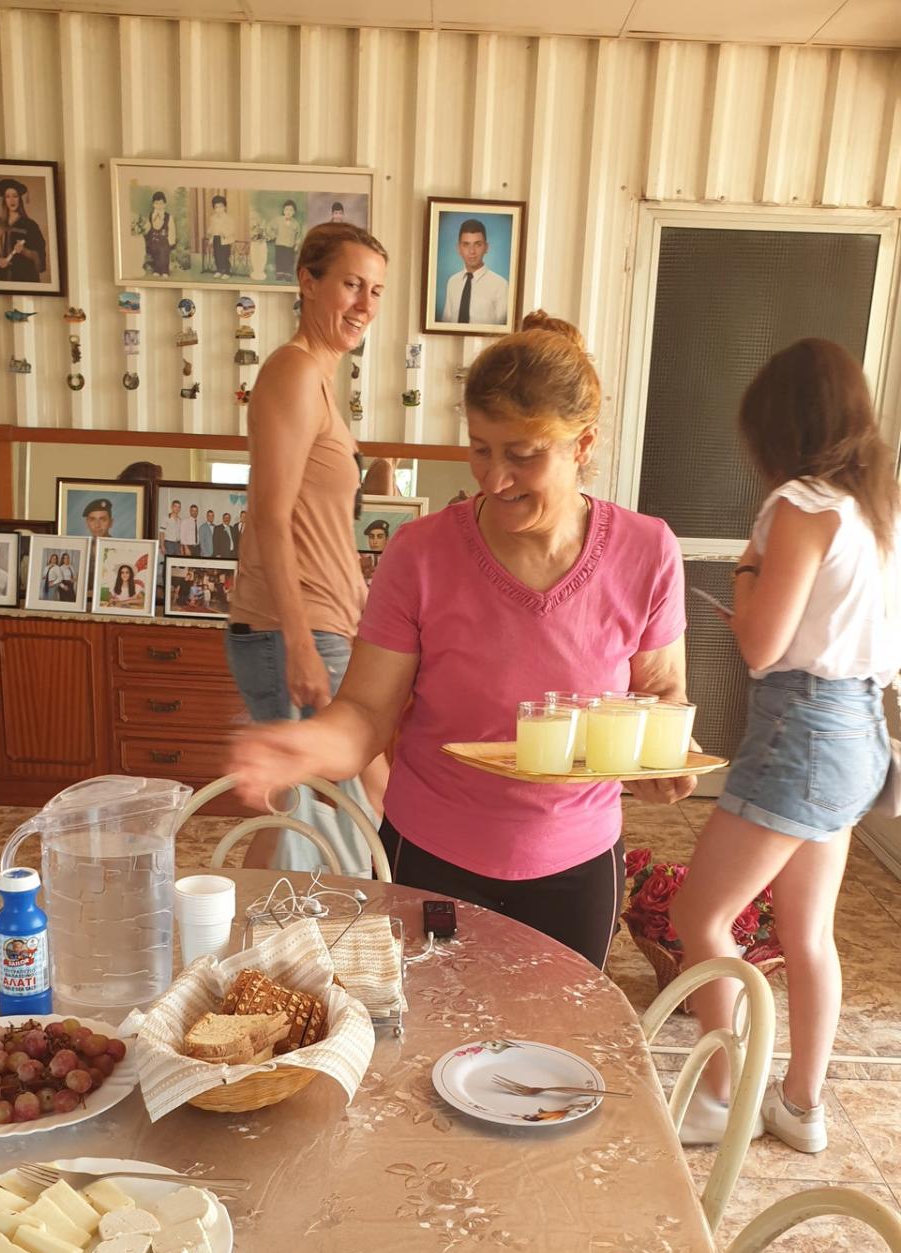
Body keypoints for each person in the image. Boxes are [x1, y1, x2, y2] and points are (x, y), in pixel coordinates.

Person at [232, 310, 694, 958]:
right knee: (424, 1044)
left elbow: (661, 688)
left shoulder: (648, 551)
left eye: (522, 457)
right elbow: (365, 713)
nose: (493, 477)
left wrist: (661, 749)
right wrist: (304, 745)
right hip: (428, 858)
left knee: (552, 1050)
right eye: (481, 447)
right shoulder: (420, 553)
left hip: (576, 864)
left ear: (582, 446)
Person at [671, 339, 899, 1153]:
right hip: (860, 728)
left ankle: (720, 1095)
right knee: (807, 931)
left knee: (702, 915)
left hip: (803, 728)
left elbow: (763, 647)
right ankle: (801, 1108)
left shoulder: (801, 506)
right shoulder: (879, 509)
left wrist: (744, 570)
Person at [227, 218, 389, 867]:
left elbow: (317, 521)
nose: (365, 305)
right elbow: (269, 514)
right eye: (351, 284)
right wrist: (298, 643)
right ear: (308, 282)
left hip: (328, 623)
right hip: (291, 629)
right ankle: (268, 942)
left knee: (326, 803)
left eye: (376, 290)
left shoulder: (320, 379)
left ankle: (275, 937)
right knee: (313, 811)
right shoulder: (292, 371)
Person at [441, 218, 508, 326]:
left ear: (486, 247)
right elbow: (444, 324)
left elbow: (503, 331)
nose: (472, 251)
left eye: (478, 244)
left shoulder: (500, 285)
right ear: (458, 248)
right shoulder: (452, 282)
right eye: (466, 244)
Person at [0, 179, 46, 285]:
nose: (12, 200)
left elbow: (40, 253)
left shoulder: (30, 225)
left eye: (15, 196)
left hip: (26, 278)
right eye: (8, 196)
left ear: (20, 199)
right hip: (5, 280)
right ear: (4, 200)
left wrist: (25, 251)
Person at [144, 191, 175, 277]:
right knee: (156, 255)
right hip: (154, 240)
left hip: (164, 241)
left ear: (165, 204)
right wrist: (145, 231)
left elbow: (172, 229)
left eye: (161, 203)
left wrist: (171, 241)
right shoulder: (151, 215)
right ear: (153, 204)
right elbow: (148, 226)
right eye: (156, 203)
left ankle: (165, 271)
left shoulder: (168, 217)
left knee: (164, 255)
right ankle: (157, 270)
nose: (159, 206)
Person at [274, 200, 302, 283]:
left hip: (290, 246)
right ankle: (280, 274)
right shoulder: (278, 220)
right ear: (283, 211)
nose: (288, 212)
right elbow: (273, 230)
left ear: (294, 212)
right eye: (286, 209)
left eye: (291, 210)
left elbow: (298, 236)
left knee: (289, 261)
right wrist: (272, 236)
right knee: (279, 260)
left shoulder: (296, 224)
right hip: (279, 244)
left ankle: (288, 275)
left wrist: (297, 245)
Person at [207, 193, 234, 277]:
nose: (219, 209)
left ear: (225, 207)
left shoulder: (228, 218)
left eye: (221, 206)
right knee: (217, 255)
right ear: (214, 209)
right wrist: (211, 238)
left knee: (225, 256)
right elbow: (211, 228)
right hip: (216, 238)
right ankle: (219, 270)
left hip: (225, 240)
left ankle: (226, 272)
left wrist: (225, 232)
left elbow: (232, 229)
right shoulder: (213, 218)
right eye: (216, 207)